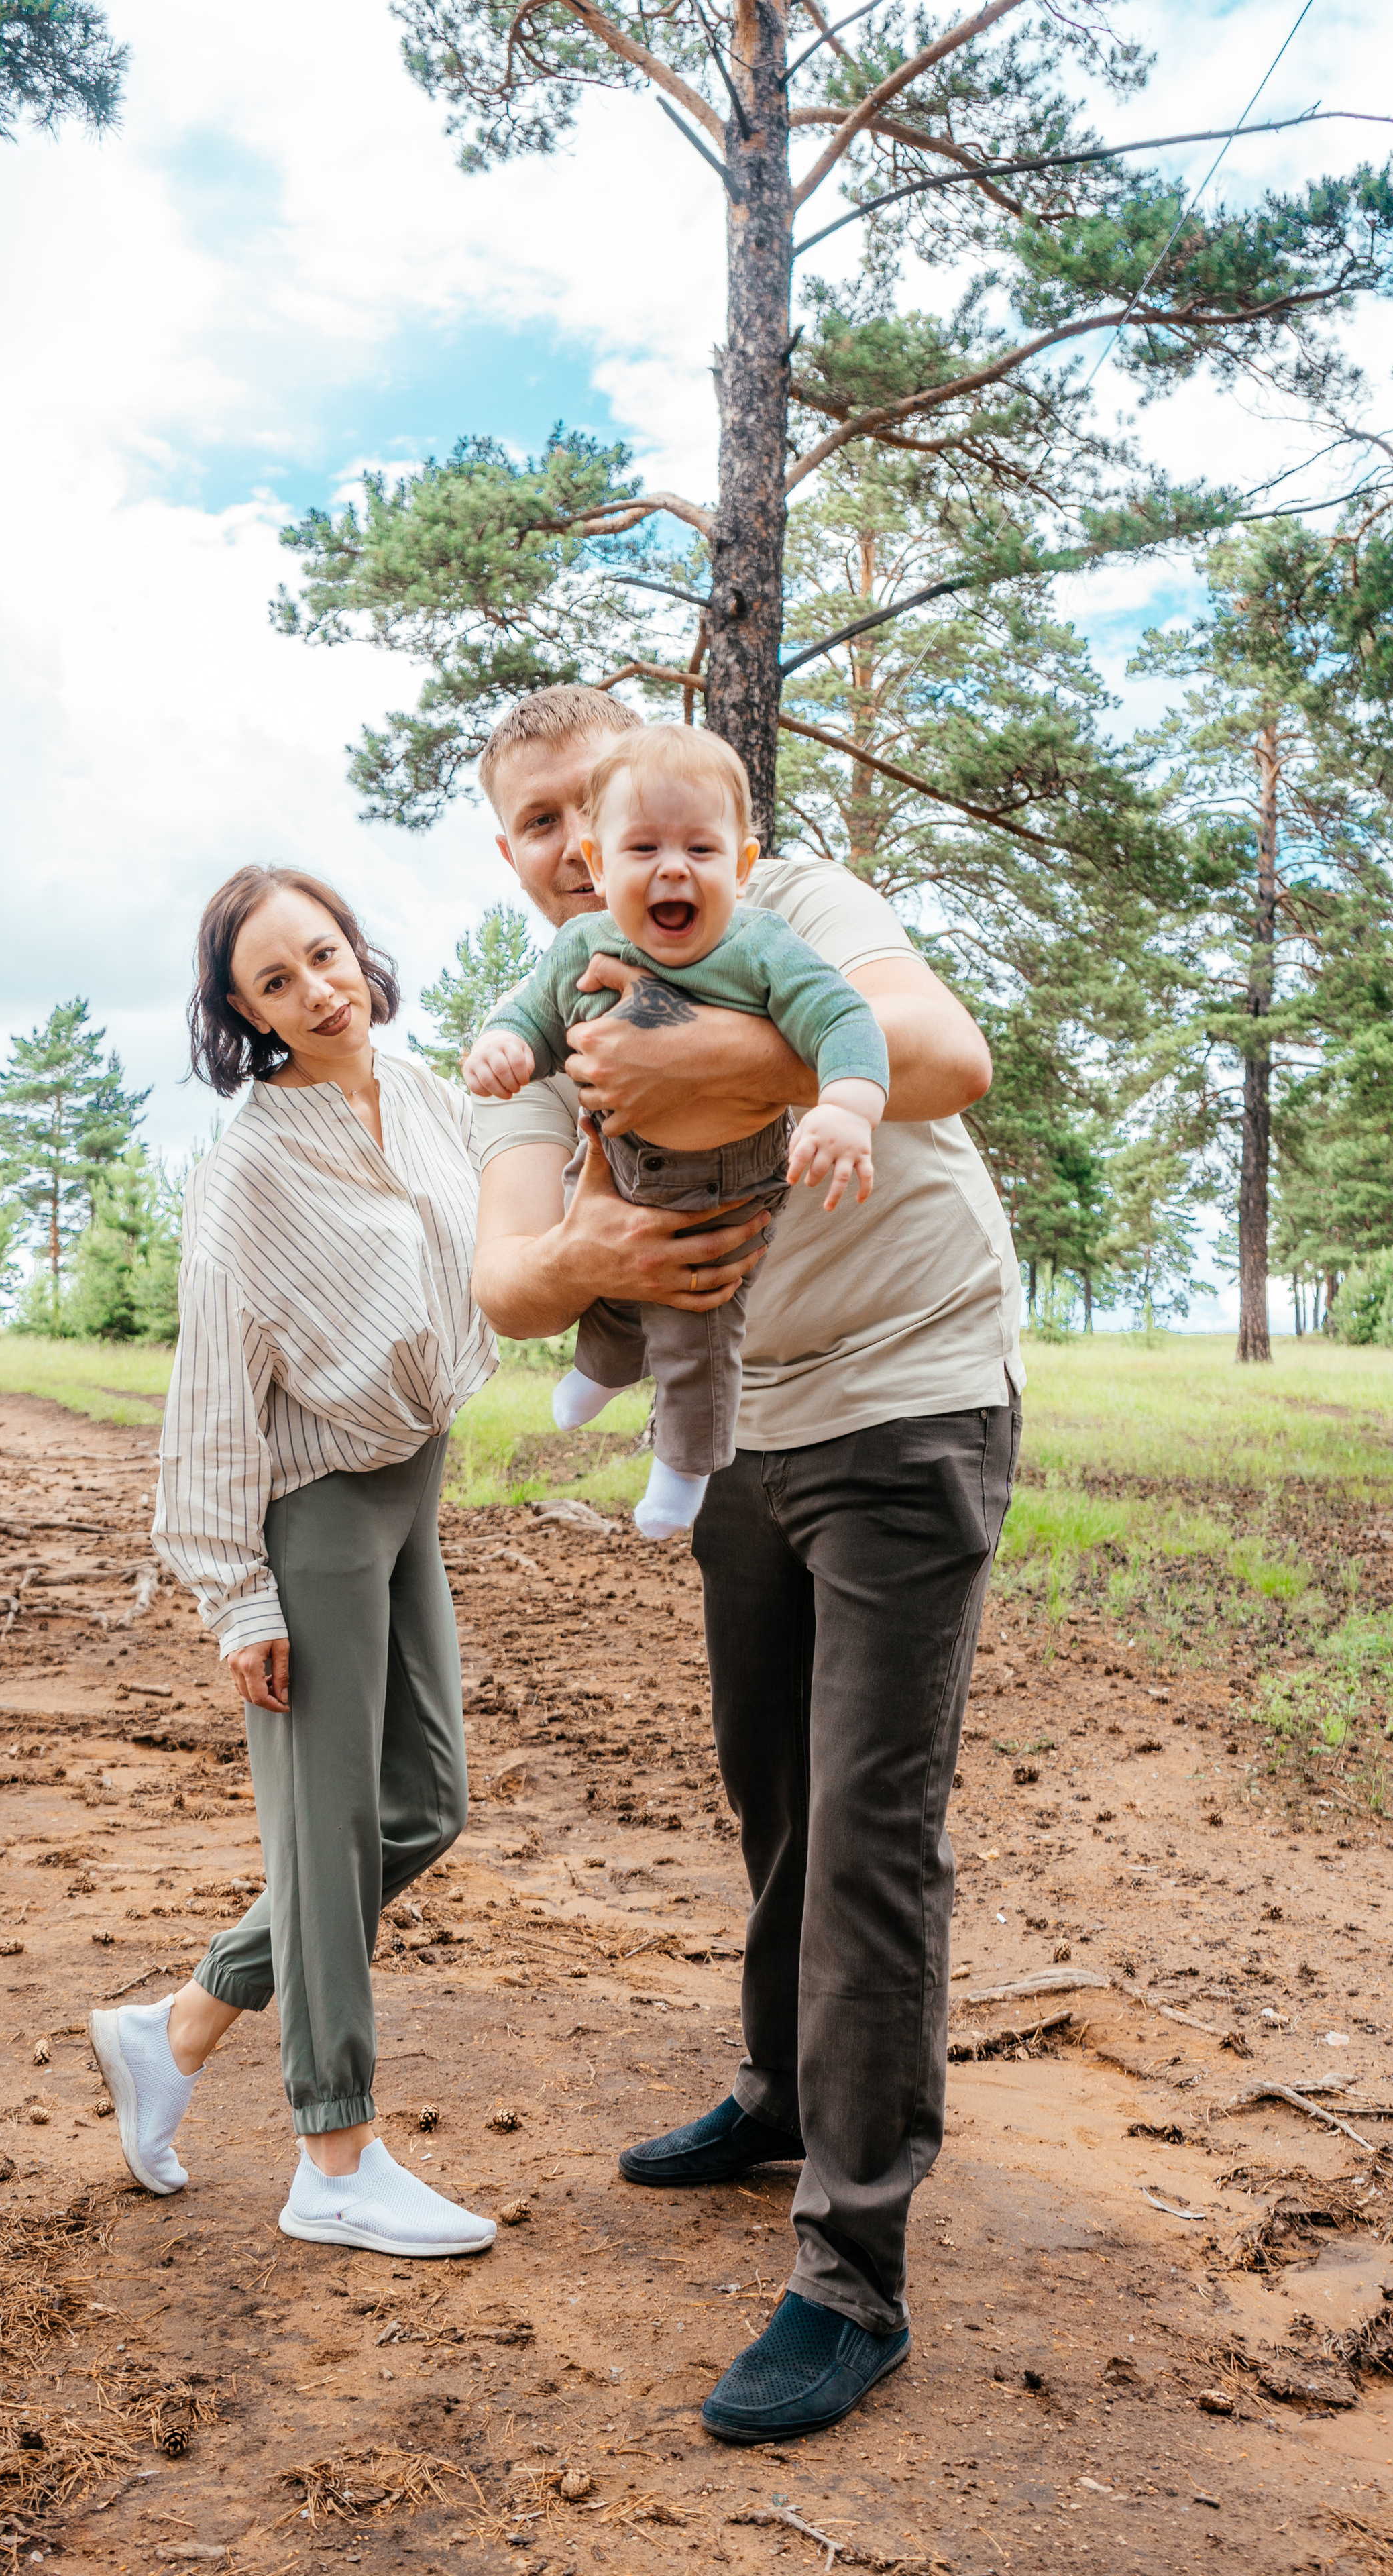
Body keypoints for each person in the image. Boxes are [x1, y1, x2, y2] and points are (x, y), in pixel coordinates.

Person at [469, 686, 1024, 2443]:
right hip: (738, 1432)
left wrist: (734, 1057)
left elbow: (944, 1054)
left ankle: (852, 2277)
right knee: (771, 1795)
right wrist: (591, 1249)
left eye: (598, 804)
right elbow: (504, 1278)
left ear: (670, 807)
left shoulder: (799, 913)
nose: (579, 845)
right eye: (542, 823)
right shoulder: (557, 1001)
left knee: (867, 1825)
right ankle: (782, 2090)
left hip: (910, 1394)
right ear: (514, 856)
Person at [88, 863, 500, 2261]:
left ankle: (179, 2023)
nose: (317, 990)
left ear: (356, 949)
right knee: (321, 1840)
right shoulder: (249, 1165)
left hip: (412, 1484)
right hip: (311, 1511)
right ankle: (333, 2152)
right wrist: (234, 1594)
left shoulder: (431, 1095)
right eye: (277, 981)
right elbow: (209, 1383)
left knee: (423, 1806)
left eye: (323, 955)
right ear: (241, 1014)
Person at [464, 722, 889, 1538]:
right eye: (541, 820)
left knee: (697, 1326)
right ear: (600, 855)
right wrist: (506, 1048)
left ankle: (681, 1472)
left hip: (733, 1198)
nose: (670, 867)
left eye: (696, 846)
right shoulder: (580, 945)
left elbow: (855, 1021)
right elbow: (532, 1018)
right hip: (628, 1181)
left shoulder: (765, 938)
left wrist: (840, 1103)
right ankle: (596, 1375)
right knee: (620, 1292)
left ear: (738, 861)